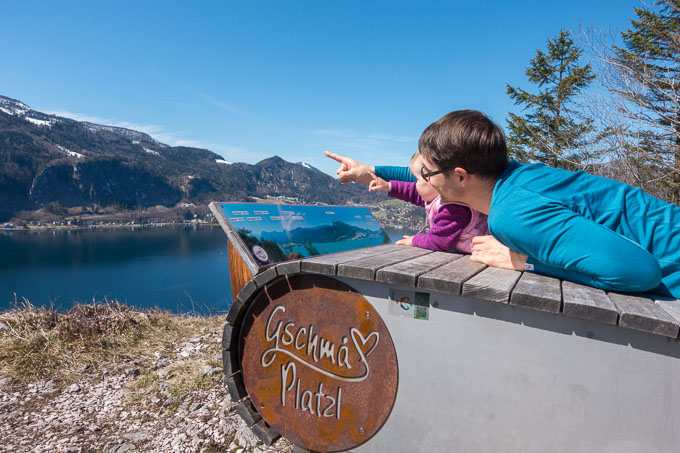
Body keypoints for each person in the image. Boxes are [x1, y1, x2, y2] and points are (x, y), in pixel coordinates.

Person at [325, 110, 680, 298]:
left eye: (429, 175)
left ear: (461, 177)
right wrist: (369, 170)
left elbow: (641, 272)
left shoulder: (511, 216)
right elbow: (421, 171)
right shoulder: (508, 177)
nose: (422, 182)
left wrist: (524, 262)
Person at [367, 152, 489, 253]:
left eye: (418, 179)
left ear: (436, 181)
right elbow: (414, 193)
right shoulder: (442, 198)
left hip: (481, 255)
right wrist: (389, 186)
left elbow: (439, 241)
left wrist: (414, 240)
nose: (415, 184)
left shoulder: (453, 208)